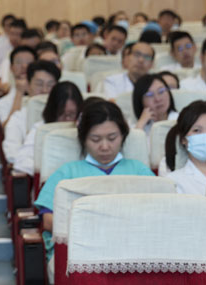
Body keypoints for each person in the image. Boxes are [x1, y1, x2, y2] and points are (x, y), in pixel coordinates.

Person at [34, 99, 154, 269]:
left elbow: (160, 211)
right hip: (80, 250)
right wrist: (93, 233)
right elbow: (48, 220)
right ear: (83, 139)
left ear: (123, 136)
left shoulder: (139, 171)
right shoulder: (67, 173)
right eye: (95, 139)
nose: (104, 147)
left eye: (112, 138)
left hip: (132, 249)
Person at [11, 81, 83, 176]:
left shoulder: (85, 129)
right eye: (61, 113)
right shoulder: (40, 129)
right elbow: (22, 162)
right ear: (53, 111)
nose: (67, 119)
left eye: (71, 114)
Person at [2, 60, 61, 162]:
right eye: (39, 84)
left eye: (50, 85)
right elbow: (12, 154)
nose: (45, 90)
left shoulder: (64, 116)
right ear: (28, 86)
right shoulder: (18, 118)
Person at [0, 46, 36, 125]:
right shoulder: (2, 103)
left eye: (29, 62)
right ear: (11, 67)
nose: (24, 66)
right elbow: (8, 128)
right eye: (19, 62)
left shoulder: (45, 94)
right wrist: (19, 92)